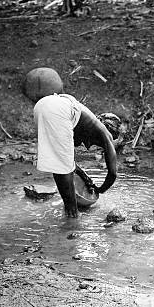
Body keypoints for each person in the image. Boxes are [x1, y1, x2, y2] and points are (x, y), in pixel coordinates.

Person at [33, 88, 120, 218]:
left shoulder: (83, 124)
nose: (92, 146)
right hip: (57, 111)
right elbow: (113, 173)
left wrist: (85, 178)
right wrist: (99, 190)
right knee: (61, 167)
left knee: (60, 163)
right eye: (98, 144)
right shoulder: (106, 135)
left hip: (41, 106)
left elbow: (68, 161)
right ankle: (72, 216)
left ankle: (69, 208)